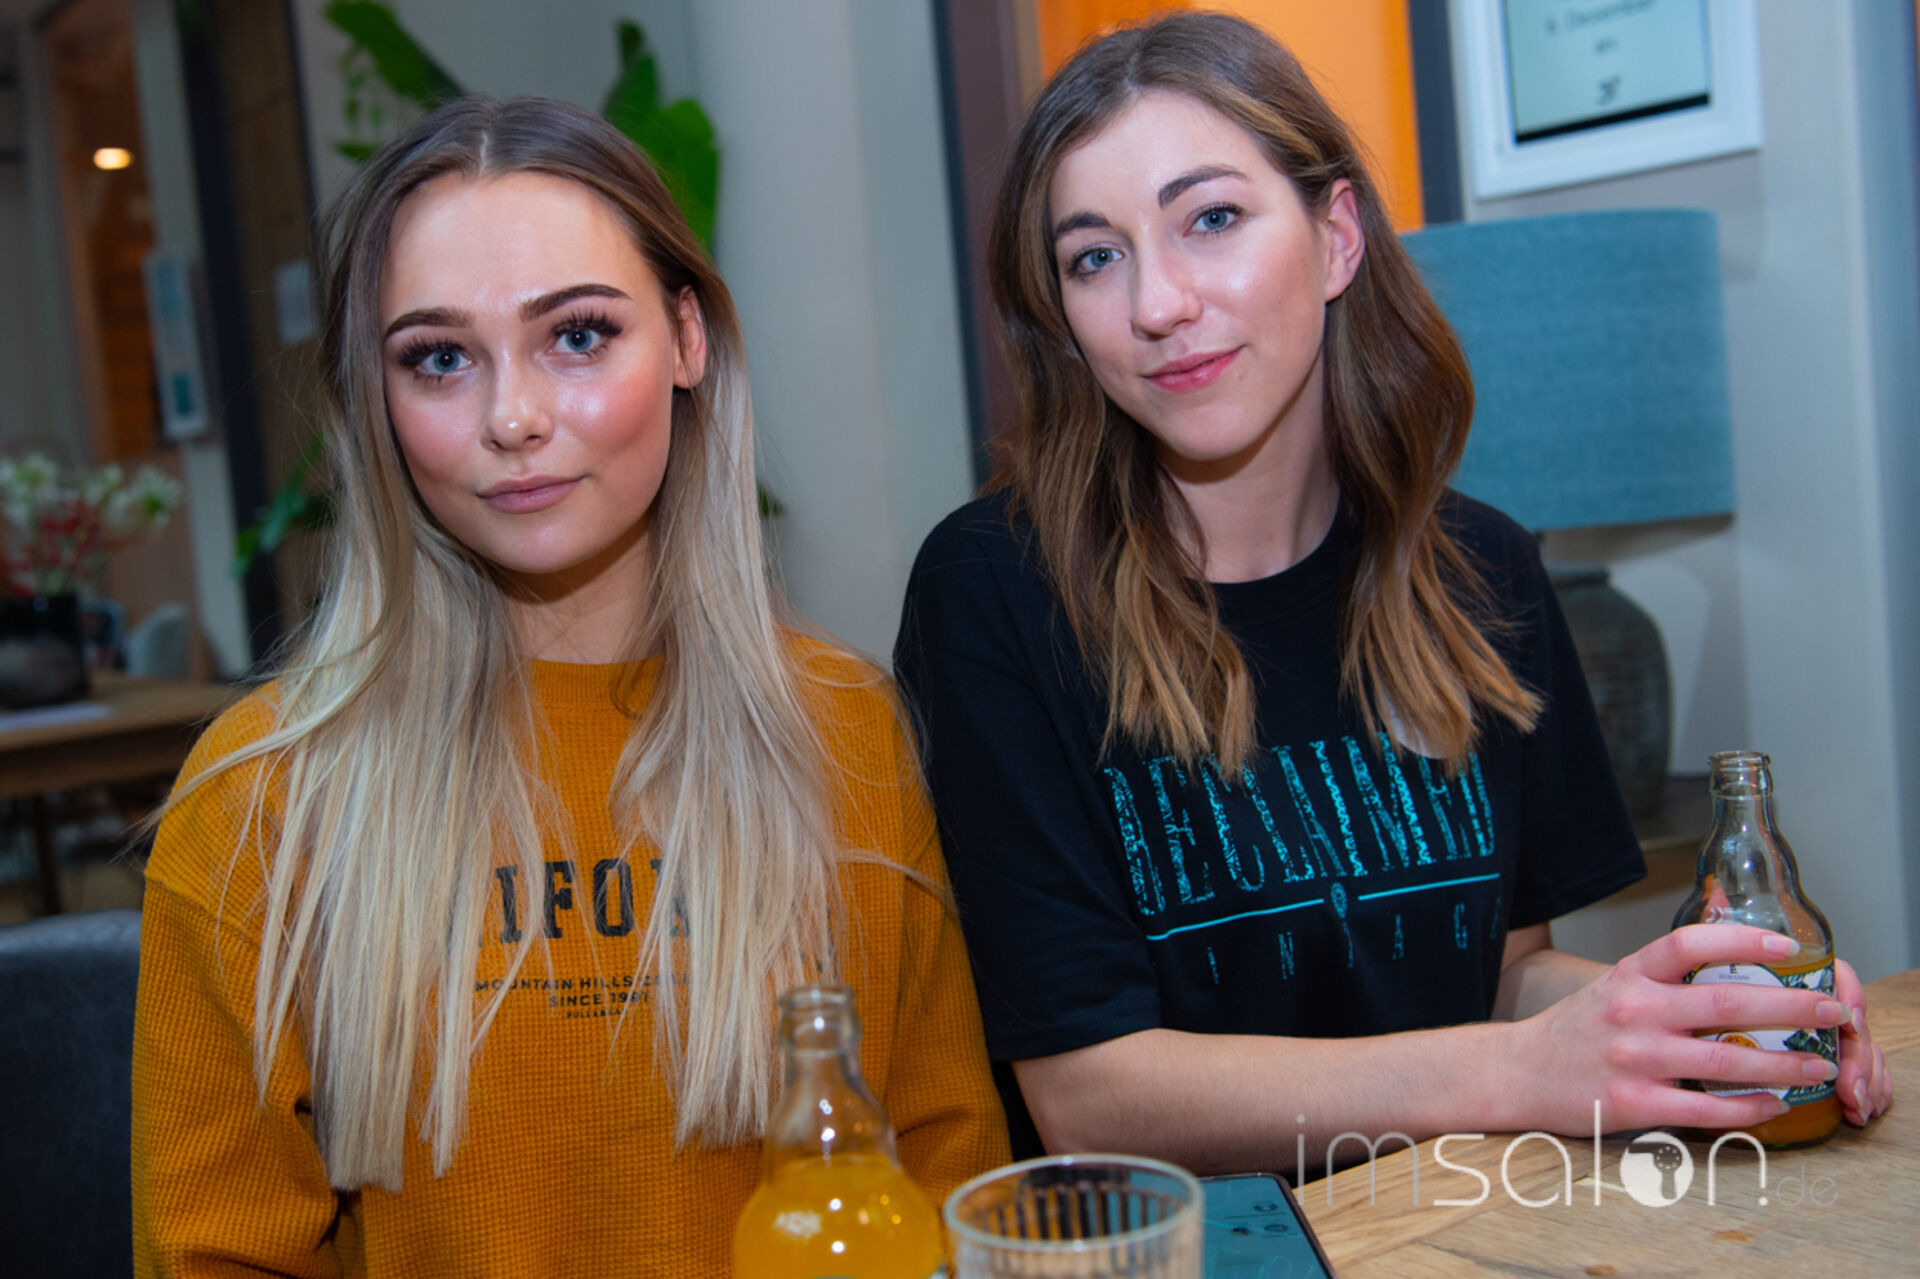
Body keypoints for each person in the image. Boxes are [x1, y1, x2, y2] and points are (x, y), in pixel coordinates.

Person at [894, 11, 1891, 1173]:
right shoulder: (993, 593)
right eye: (1094, 257)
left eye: (1210, 219)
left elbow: (1504, 976)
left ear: (1336, 238)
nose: (1156, 303)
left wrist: (1705, 1021)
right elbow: (1089, 1097)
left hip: (1463, 1220)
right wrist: (1520, 1069)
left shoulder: (1485, 573)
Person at [132, 96, 1006, 1275]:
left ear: (687, 340)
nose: (513, 417)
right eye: (439, 359)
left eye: (579, 335)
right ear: (377, 401)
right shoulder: (262, 800)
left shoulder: (846, 730)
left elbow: (950, 1185)